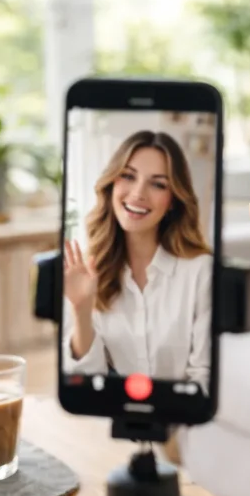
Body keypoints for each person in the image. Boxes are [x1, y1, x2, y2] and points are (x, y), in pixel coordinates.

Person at [62, 129, 213, 391]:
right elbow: (86, 381)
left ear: (173, 201)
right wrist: (82, 310)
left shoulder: (201, 271)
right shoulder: (87, 272)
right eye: (128, 176)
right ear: (111, 185)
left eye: (158, 184)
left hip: (180, 426)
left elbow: (203, 376)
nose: (138, 193)